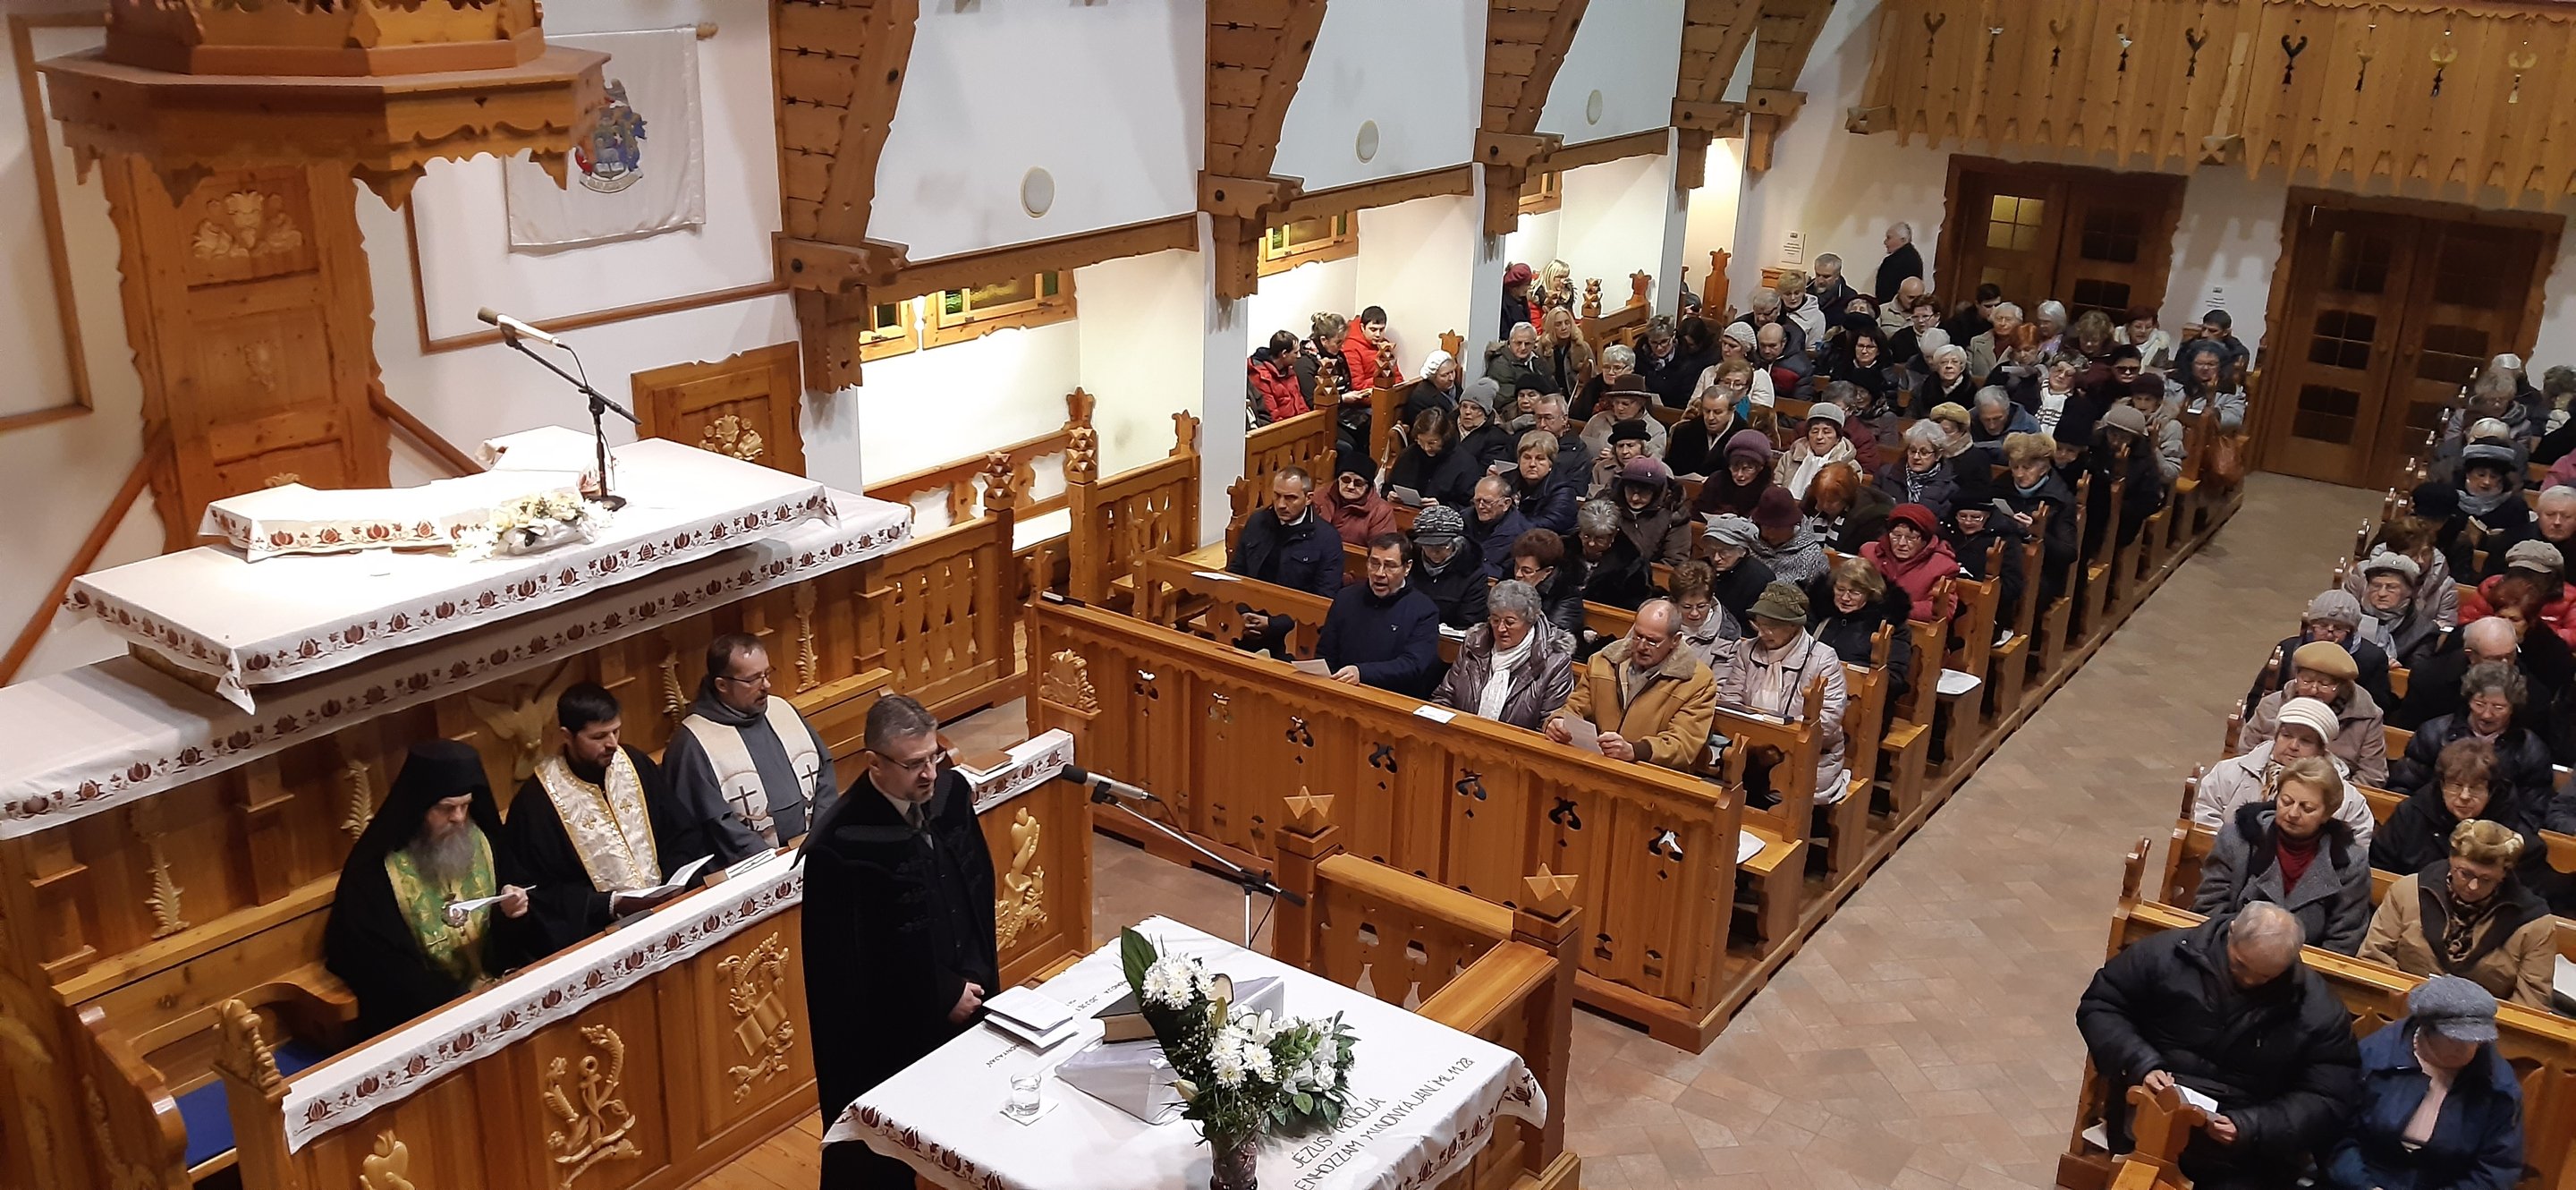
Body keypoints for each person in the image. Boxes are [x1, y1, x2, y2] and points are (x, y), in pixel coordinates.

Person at [804, 695, 999, 1190]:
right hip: (893, 1026)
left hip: (970, 986)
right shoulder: (841, 844)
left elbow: (975, 890)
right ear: (875, 763)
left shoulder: (950, 795)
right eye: (914, 764)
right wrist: (943, 993)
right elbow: (852, 963)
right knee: (890, 1145)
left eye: (934, 756)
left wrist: (975, 975)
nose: (930, 774)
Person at [2075, 902, 2361, 1190]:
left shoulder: (2317, 1010)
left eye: (2264, 977)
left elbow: (2327, 1095)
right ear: (2232, 931)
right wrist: (2140, 1064)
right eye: (2240, 965)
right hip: (2150, 1115)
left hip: (2241, 1153)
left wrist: (2251, 1126)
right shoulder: (2165, 955)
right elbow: (2102, 1005)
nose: (2249, 981)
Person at [325, 740, 531, 1039]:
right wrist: (456, 1003)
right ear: (419, 807)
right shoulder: (375, 873)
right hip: (430, 1015)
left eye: (465, 805)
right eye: (446, 808)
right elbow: (382, 966)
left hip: (501, 991)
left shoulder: (484, 842)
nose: (459, 818)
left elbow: (514, 933)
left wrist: (512, 914)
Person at [502, 683, 701, 962]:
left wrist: (671, 882)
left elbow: (680, 832)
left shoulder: (635, 764)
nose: (612, 744)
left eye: (615, 731)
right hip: (601, 937)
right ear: (566, 736)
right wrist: (608, 904)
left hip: (670, 910)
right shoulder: (535, 803)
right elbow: (541, 894)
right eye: (598, 736)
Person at [2322, 975, 2524, 1190]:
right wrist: (2365, 1186)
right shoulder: (2375, 1056)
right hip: (2361, 1180)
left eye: (2477, 1040)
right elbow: (2336, 1135)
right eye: (2456, 1039)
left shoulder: (2498, 1086)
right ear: (2426, 1029)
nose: (2467, 1049)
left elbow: (2497, 1168)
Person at [665, 633, 839, 864]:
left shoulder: (782, 709)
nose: (766, 685)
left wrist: (819, 834)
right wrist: (772, 862)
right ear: (722, 685)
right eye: (753, 679)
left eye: (767, 673)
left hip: (814, 850)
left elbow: (823, 770)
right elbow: (715, 823)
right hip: (753, 867)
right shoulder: (692, 743)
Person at [2360, 823, 2557, 1010]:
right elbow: (2375, 958)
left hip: (2484, 1026)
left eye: (2486, 879)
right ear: (2451, 860)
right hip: (2400, 1011)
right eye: (2465, 874)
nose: (2473, 886)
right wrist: (2404, 1008)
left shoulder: (2534, 924)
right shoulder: (2408, 892)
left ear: (2503, 874)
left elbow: (2531, 1002)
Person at [2196, 756, 2373, 954]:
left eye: (2307, 808)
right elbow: (2209, 908)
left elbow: (2344, 939)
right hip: (2229, 952)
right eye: (2286, 801)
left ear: (2327, 813)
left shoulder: (2350, 863)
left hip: (2304, 965)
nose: (2293, 813)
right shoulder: (2237, 839)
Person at [1715, 582, 1851, 807]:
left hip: (1806, 757)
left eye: (1771, 627)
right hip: (1751, 750)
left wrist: (1777, 739)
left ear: (1793, 626)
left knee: (1777, 786)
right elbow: (1730, 701)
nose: (1762, 632)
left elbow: (1827, 721)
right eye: (1759, 624)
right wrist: (1757, 739)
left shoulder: (1823, 659)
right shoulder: (1747, 650)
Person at [2385, 663, 2556, 835]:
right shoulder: (2433, 733)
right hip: (2429, 830)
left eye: (2498, 707)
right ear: (2469, 700)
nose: (2486, 714)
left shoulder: (2530, 750)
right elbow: (2403, 787)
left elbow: (2532, 813)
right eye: (2479, 704)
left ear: (2513, 707)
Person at [1546, 599, 1716, 770]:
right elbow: (1575, 707)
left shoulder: (1697, 681)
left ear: (1675, 640)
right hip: (1593, 765)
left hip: (1649, 775)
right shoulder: (1602, 661)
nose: (1642, 646)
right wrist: (1558, 722)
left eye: (1652, 641)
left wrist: (1635, 750)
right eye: (1638, 636)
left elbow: (1684, 745)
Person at [2193, 696, 2374, 845]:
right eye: (2286, 735)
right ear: (2276, 736)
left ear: (2321, 750)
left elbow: (2355, 852)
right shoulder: (2228, 772)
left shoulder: (2349, 800)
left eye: (2306, 741)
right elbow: (2204, 821)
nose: (2293, 746)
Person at [2240, 641, 2390, 786]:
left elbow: (2372, 775)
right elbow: (2246, 753)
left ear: (2342, 686)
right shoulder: (2272, 705)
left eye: (2324, 684)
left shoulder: (2366, 716)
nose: (2313, 690)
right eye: (2306, 681)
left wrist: (2334, 795)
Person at [2375, 737, 2533, 875]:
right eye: (2456, 785)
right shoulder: (2411, 813)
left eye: (2475, 788)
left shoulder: (2513, 834)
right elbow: (2379, 865)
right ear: (2442, 785)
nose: (2464, 796)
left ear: (2491, 792)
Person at [1226, 467, 1343, 653]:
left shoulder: (1326, 539)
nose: (1281, 504)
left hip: (1294, 634)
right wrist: (1244, 612)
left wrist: (1273, 624)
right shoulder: (1257, 522)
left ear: (1308, 498)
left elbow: (1323, 598)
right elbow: (1236, 571)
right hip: (1246, 621)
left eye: (1290, 498)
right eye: (1277, 495)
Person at [1433, 580, 1577, 731]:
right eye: (1495, 620)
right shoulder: (1474, 646)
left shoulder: (1555, 663)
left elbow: (1549, 726)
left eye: (1510, 622)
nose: (1501, 628)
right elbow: (1444, 696)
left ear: (1529, 622)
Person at [2394, 616, 2562, 741]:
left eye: (2510, 656)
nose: (2505, 664)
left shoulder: (2534, 694)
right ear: (2471, 656)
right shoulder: (2429, 678)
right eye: (2495, 658)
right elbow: (2411, 731)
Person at [1315, 533, 1443, 697]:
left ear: (1407, 568)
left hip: (1391, 699)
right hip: (1341, 691)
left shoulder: (1424, 610)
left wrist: (1362, 673)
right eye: (1374, 564)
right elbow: (1326, 652)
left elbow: (1413, 664)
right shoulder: (1345, 598)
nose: (1379, 573)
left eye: (1390, 566)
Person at [2243, 590, 2395, 718]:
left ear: (2350, 631)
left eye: (2338, 628)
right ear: (2312, 626)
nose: (2329, 634)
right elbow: (2256, 698)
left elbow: (2377, 710)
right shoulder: (2288, 649)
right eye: (2322, 626)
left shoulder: (2372, 658)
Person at [1808, 557, 1916, 703]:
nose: (1845, 598)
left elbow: (1894, 677)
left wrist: (1850, 675)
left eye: (1855, 593)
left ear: (1871, 593)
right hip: (1810, 691)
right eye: (1840, 590)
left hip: (1861, 701)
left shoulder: (1890, 625)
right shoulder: (1819, 613)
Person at [2343, 517, 2462, 633]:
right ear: (2394, 555)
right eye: (2412, 555)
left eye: (2425, 553)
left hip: (2415, 643)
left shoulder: (2445, 586)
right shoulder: (2363, 572)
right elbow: (2344, 610)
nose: (2421, 561)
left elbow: (2445, 628)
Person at [2002, 432, 2080, 606]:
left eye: (2027, 468)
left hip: (2043, 572)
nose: (2019, 474)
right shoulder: (2001, 486)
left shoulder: (2060, 500)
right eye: (2015, 467)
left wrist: (2038, 533)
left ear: (2043, 469)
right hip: (2005, 562)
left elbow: (2068, 553)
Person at [2462, 538, 2576, 649]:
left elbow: (2574, 635)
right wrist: (2495, 628)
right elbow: (2466, 620)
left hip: (2543, 652)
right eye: (2520, 572)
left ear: (2552, 576)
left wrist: (2531, 631)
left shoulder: (2571, 597)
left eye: (2535, 574)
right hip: (2488, 647)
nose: (2527, 579)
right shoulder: (2491, 586)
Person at [1863, 502, 1959, 622]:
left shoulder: (1944, 567)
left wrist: (1893, 609)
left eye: (1911, 538)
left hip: (1908, 629)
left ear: (1925, 540)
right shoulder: (1869, 553)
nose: (1901, 543)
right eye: (1896, 535)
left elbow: (1942, 610)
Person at [2351, 550, 2443, 667]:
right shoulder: (2351, 617)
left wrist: (2396, 668)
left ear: (2409, 591)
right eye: (2376, 585)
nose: (2382, 593)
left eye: (2391, 587)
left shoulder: (2425, 632)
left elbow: (2416, 672)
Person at [1408, 505, 1488, 630]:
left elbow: (1469, 622)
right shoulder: (1409, 563)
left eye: (1442, 546)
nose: (1434, 552)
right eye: (1428, 545)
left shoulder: (1473, 573)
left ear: (1456, 542)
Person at [1665, 366, 1753, 477]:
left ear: (1731, 410)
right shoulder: (1684, 431)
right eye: (1707, 411)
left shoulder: (1744, 437)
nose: (1710, 417)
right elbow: (1671, 472)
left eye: (1717, 412)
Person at [1608, 456, 1693, 567]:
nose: (1635, 498)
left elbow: (1675, 561)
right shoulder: (1607, 503)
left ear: (1657, 492)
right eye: (1630, 490)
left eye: (1643, 492)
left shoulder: (1675, 514)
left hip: (1650, 574)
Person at [1575, 498, 1655, 610]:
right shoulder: (1564, 549)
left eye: (1600, 539)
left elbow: (1634, 605)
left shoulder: (1633, 564)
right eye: (1587, 536)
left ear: (1614, 535)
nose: (1591, 543)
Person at [1699, 514, 1779, 626]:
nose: (1716, 558)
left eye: (1723, 552)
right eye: (1711, 551)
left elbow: (1753, 626)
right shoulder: (1699, 568)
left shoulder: (1760, 579)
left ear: (1742, 551)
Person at [1873, 421, 1961, 521]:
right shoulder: (1886, 474)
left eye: (1924, 452)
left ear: (1938, 455)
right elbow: (1874, 512)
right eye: (1913, 451)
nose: (1916, 457)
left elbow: (1942, 523)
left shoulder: (1949, 488)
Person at [1509, 528, 1589, 636]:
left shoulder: (1568, 598)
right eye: (1516, 566)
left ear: (1547, 571)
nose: (1518, 574)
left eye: (1527, 571)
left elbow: (1551, 638)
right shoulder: (1509, 577)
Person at [1802, 461, 1894, 554]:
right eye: (1820, 499)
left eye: (1831, 502)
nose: (1824, 506)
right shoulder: (1809, 503)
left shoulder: (1870, 519)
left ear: (1846, 498)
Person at [1749, 485, 1829, 586]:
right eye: (1766, 526)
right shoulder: (1746, 545)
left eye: (1777, 528)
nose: (1771, 533)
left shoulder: (1813, 559)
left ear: (1793, 524)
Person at [1504, 427, 1580, 535]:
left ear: (1551, 464)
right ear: (1519, 460)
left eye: (1540, 459)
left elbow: (1545, 526)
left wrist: (1504, 523)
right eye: (1527, 457)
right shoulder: (1506, 480)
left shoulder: (1563, 492)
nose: (1532, 464)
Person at [1775, 404, 1859, 499]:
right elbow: (1777, 488)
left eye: (1826, 432)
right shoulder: (1789, 457)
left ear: (1837, 438)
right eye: (1814, 431)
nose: (1819, 437)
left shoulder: (1851, 467)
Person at [1669, 560, 1740, 667]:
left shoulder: (1727, 636)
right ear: (1674, 602)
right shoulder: (1654, 617)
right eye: (1687, 607)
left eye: (1701, 606)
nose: (1694, 613)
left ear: (1711, 600)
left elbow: (1721, 677)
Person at [1693, 429, 1778, 520]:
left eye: (1748, 468)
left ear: (1761, 468)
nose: (1739, 475)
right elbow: (1698, 512)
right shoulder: (1716, 481)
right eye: (1735, 467)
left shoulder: (1769, 494)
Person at [1580, 378, 1669, 462]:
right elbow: (1579, 448)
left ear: (1641, 403)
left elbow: (1653, 463)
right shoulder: (1598, 420)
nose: (1619, 408)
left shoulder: (1655, 430)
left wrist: (1616, 460)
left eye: (1625, 404)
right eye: (1616, 402)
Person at [1468, 474, 1535, 581]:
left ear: (1506, 504)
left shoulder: (1521, 535)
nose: (1480, 506)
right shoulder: (1464, 519)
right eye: (1477, 500)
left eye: (1487, 502)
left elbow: (1505, 572)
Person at [1318, 460, 1396, 547]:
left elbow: (1382, 548)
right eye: (1346, 480)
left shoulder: (1381, 511)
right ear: (1338, 480)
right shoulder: (1320, 495)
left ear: (1368, 486)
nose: (1350, 486)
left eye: (1358, 483)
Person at [2178, 344, 2249, 434]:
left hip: (2209, 436)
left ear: (2220, 367)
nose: (2205, 368)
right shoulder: (2175, 382)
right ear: (2191, 365)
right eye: (2199, 363)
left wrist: (2214, 412)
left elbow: (2235, 420)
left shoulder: (2230, 389)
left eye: (2211, 364)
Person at [1248, 332, 1309, 426]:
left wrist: (1307, 423)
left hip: (1297, 426)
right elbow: (1272, 415)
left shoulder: (1289, 371)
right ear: (1284, 353)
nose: (1299, 356)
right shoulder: (1261, 376)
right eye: (1296, 353)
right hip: (1281, 430)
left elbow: (1301, 403)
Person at [1538, 305, 1593, 395]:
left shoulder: (1583, 347)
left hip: (1577, 396)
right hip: (1551, 397)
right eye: (1558, 324)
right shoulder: (1543, 348)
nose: (1564, 327)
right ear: (1551, 327)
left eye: (1567, 323)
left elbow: (1593, 376)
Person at [1874, 222, 1923, 302]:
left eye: (1889, 238)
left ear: (1903, 240)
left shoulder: (1893, 261)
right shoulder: (1914, 257)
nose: (1885, 242)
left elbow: (1884, 293)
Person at [2115, 306, 2174, 372]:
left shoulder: (2160, 347)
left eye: (2148, 327)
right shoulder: (2116, 341)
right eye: (2138, 327)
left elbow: (2159, 372)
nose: (2143, 331)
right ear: (2128, 327)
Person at [1499, 263, 1536, 341]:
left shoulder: (1522, 299)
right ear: (1514, 288)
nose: (1529, 287)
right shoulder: (1503, 306)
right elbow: (1505, 336)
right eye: (1527, 284)